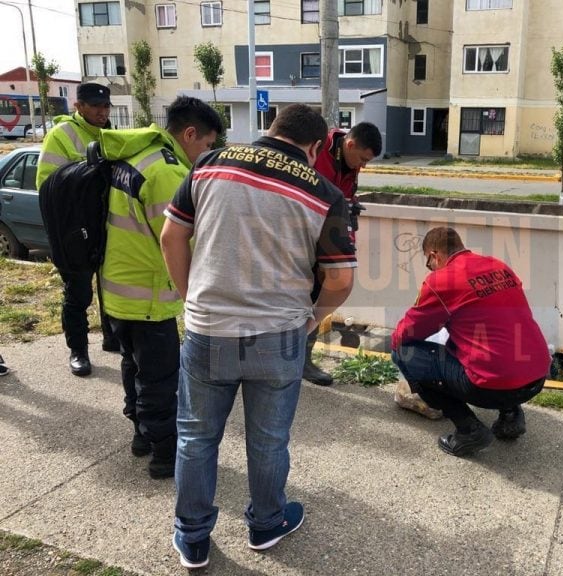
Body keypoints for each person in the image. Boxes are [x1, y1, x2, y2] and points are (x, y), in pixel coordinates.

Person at [161, 103, 356, 569]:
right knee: (269, 440)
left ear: (271, 130)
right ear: (315, 147)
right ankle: (266, 524)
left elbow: (172, 236)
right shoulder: (325, 193)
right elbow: (341, 280)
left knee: (195, 438)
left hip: (210, 329)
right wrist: (310, 320)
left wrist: (192, 299)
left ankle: (192, 537)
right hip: (278, 334)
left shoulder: (209, 164)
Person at [98, 96, 222, 479]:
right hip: (148, 296)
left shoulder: (132, 156)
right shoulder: (167, 172)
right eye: (206, 145)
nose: (207, 153)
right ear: (189, 134)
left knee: (132, 365)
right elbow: (178, 241)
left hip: (116, 291)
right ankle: (165, 455)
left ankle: (140, 436)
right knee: (160, 379)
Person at [390, 227, 551, 457]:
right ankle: (511, 416)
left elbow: (410, 332)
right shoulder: (498, 266)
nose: (430, 268)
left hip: (493, 386)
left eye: (429, 263)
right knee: (496, 345)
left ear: (434, 255)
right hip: (536, 378)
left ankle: (469, 430)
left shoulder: (442, 280)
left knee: (402, 351)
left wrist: (394, 340)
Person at [36, 82, 119, 377]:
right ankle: (78, 350)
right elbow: (48, 183)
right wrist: (88, 168)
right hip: (73, 229)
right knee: (78, 292)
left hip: (104, 225)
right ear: (78, 106)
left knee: (110, 287)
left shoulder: (112, 135)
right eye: (95, 106)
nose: (102, 111)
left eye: (106, 106)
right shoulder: (61, 135)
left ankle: (112, 338)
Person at [305, 121, 382, 386]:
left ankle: (303, 361)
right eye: (362, 159)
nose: (363, 166)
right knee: (294, 299)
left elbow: (345, 198)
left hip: (325, 240)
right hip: (300, 238)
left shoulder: (350, 165)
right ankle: (282, 360)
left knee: (318, 297)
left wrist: (351, 210)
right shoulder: (317, 148)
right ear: (350, 145)